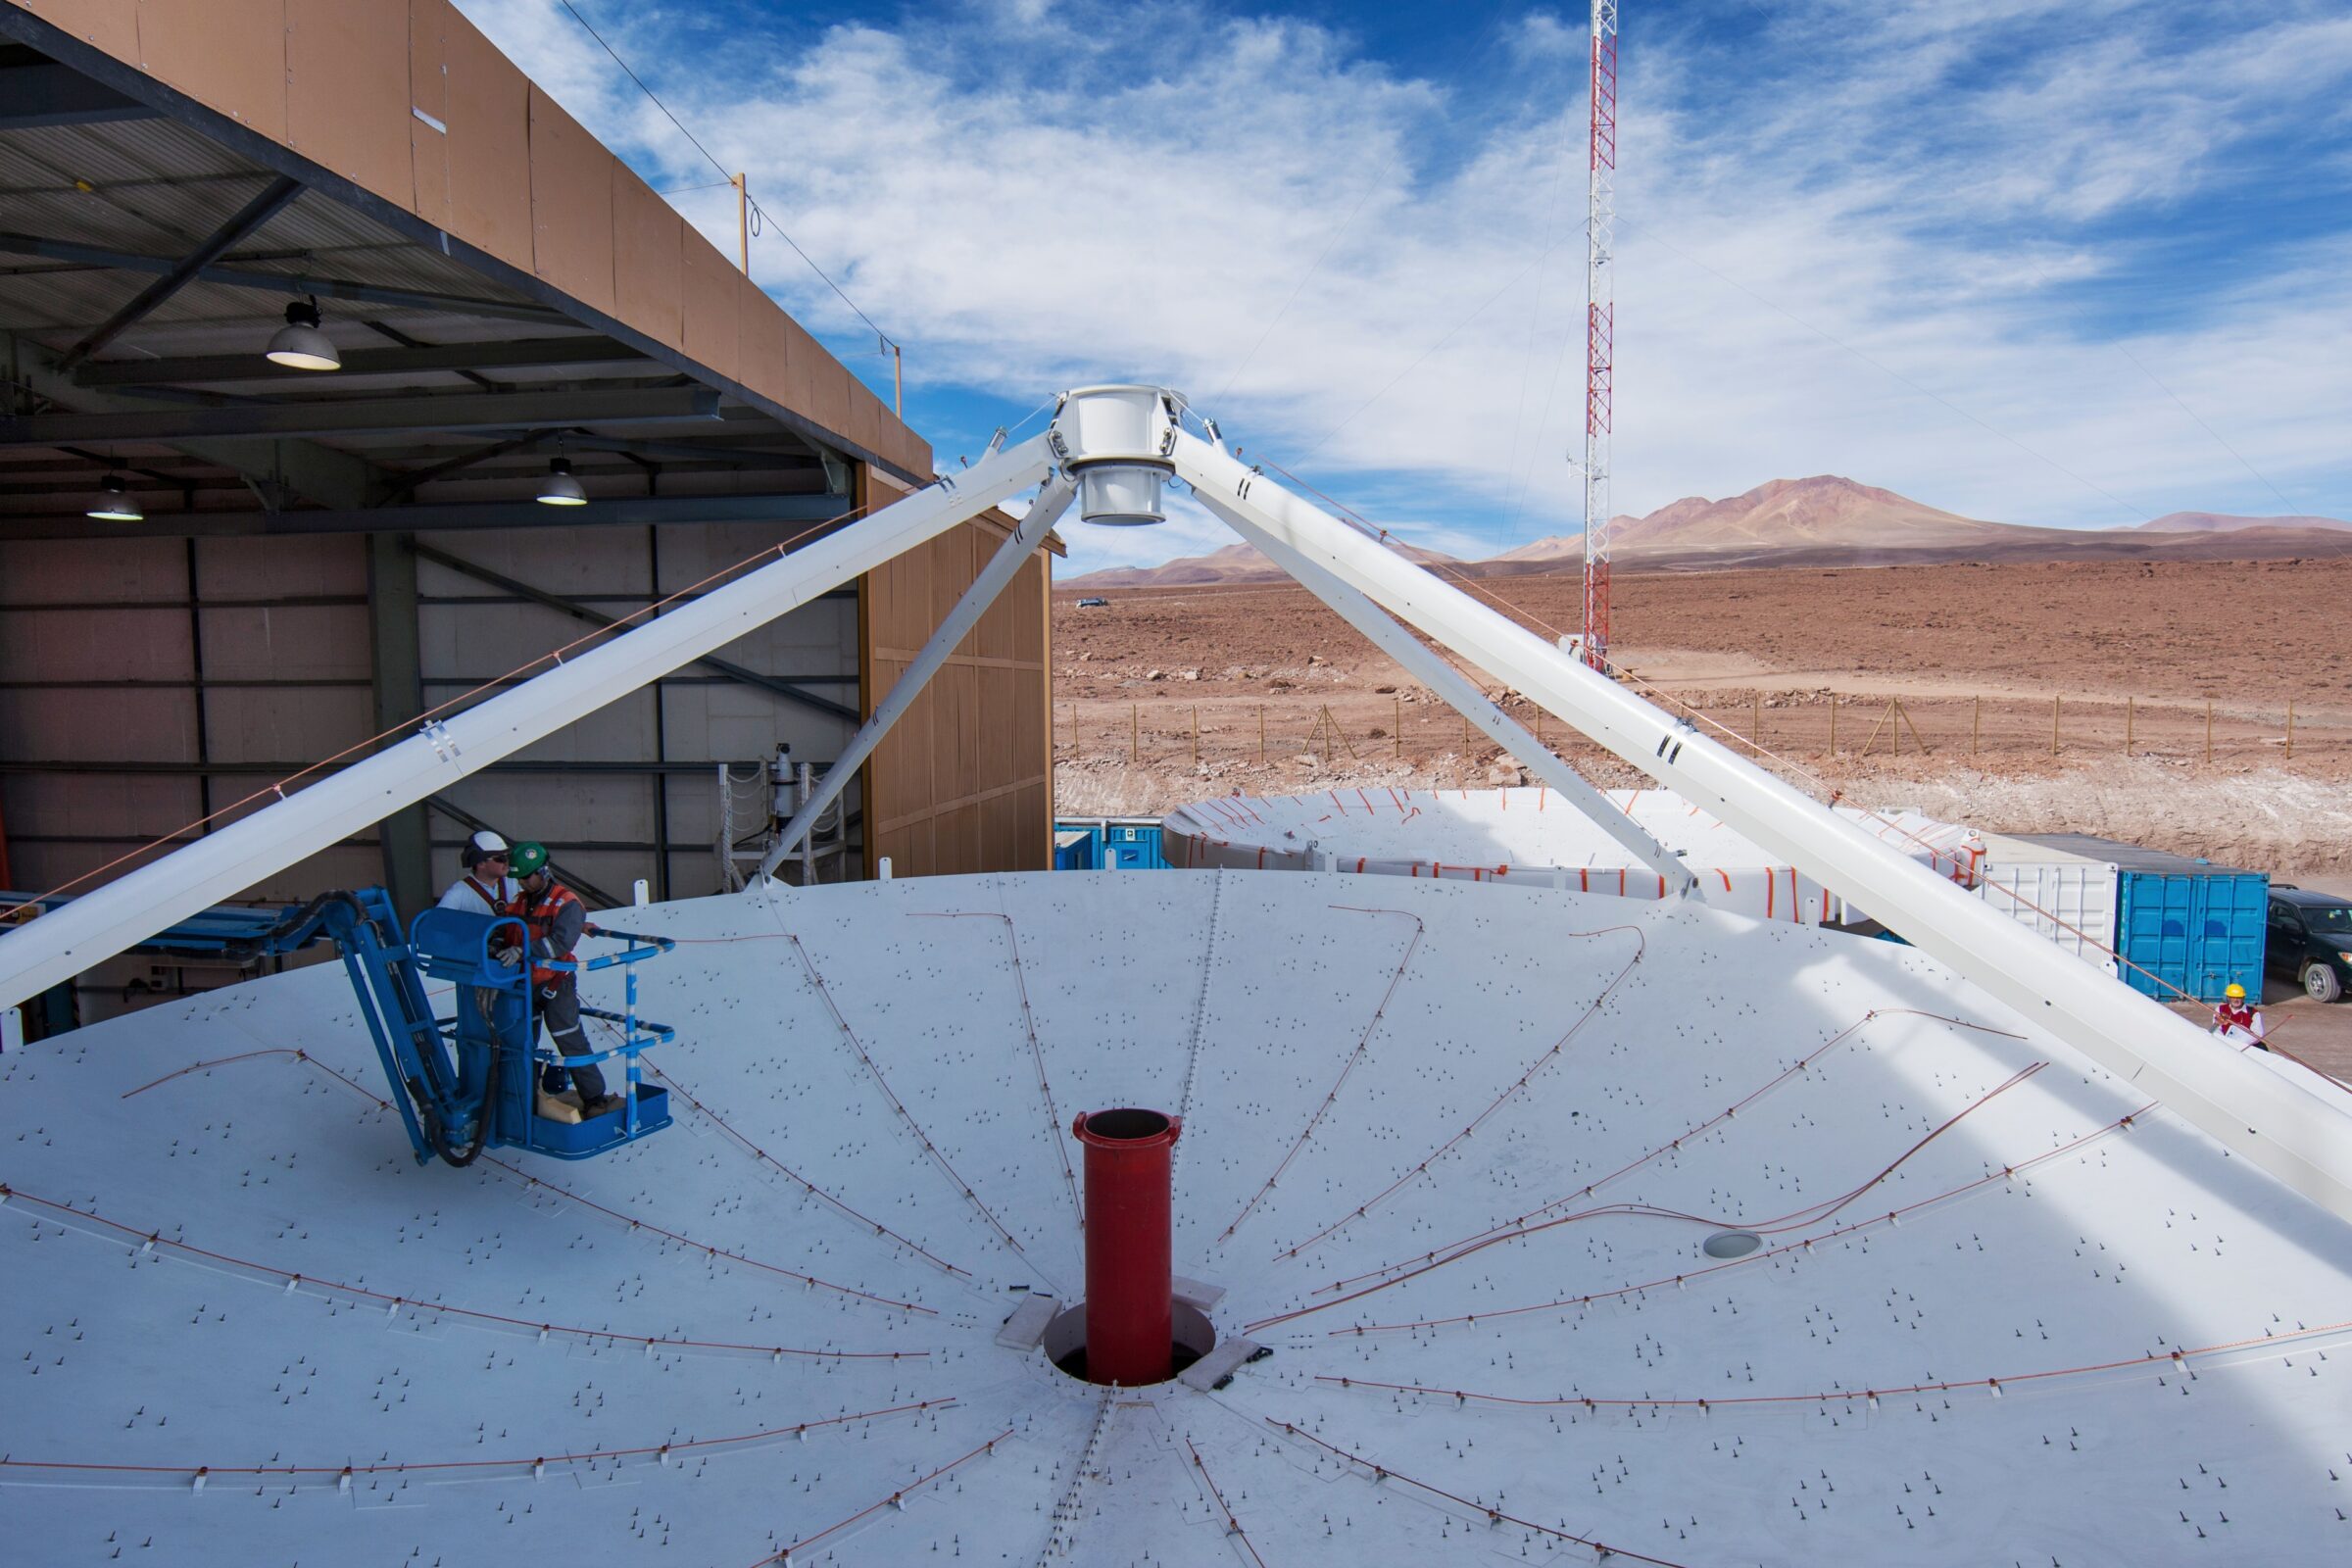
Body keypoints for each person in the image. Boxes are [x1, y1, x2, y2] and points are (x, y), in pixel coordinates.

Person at [511, 842, 619, 1115]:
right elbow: (508, 930)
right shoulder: (520, 901)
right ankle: (522, 1095)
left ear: (543, 871)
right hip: (524, 982)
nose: (522, 882)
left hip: (555, 982)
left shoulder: (567, 903)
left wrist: (522, 951)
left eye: (526, 877)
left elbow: (560, 942)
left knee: (568, 1037)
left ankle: (594, 1098)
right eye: (519, 878)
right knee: (521, 1040)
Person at [438, 830, 517, 918]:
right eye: (501, 858)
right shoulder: (459, 892)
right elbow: (438, 920)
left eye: (508, 856)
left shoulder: (517, 882)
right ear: (481, 863)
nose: (507, 862)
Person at [2211, 982, 2268, 1050]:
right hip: (2224, 1045)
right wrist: (2224, 1042)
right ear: (2228, 998)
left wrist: (2237, 1044)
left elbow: (2257, 1035)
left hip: (2245, 1047)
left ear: (2243, 997)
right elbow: (2215, 1028)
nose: (2236, 1000)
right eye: (2233, 997)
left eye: (2239, 997)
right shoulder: (2220, 1009)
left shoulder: (2254, 1013)